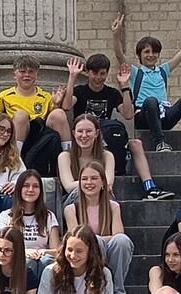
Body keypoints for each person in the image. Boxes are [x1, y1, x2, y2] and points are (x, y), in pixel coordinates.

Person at [63, 51, 172, 200]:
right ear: (87, 72)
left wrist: (125, 87)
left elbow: (128, 114)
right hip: (85, 137)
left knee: (136, 143)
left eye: (102, 74)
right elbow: (67, 105)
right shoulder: (80, 91)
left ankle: (150, 186)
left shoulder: (112, 93)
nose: (98, 78)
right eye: (94, 73)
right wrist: (72, 78)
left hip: (106, 136)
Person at [116, 22, 181, 152]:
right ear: (139, 55)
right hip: (144, 115)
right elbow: (119, 55)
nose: (151, 55)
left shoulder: (163, 70)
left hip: (163, 117)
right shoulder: (136, 72)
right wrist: (115, 34)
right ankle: (159, 142)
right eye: (147, 52)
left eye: (155, 52)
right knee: (151, 101)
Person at [0, 54, 70, 176]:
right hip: (17, 137)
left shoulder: (45, 96)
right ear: (15, 75)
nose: (26, 75)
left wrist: (57, 104)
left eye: (31, 71)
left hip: (41, 137)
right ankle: (14, 162)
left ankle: (68, 159)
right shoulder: (5, 95)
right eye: (22, 72)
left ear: (36, 74)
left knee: (59, 113)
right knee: (21, 115)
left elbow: (55, 122)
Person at [64, 161, 132, 294]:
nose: (89, 182)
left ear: (103, 182)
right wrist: (97, 239)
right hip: (86, 256)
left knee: (122, 242)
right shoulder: (71, 210)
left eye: (94, 178)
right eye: (85, 179)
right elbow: (75, 240)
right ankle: (97, 291)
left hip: (109, 252)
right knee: (96, 241)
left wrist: (96, 239)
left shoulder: (113, 206)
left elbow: (118, 235)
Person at [0, 170, 60, 280]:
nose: (31, 190)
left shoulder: (49, 216)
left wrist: (41, 252)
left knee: (47, 261)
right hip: (16, 261)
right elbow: (1, 247)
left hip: (42, 261)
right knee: (28, 262)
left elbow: (56, 251)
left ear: (40, 191)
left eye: (35, 186)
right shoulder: (6, 216)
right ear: (19, 189)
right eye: (26, 186)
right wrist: (25, 252)